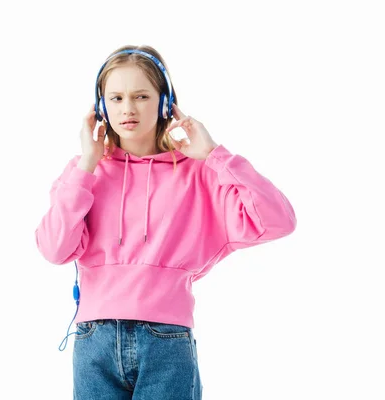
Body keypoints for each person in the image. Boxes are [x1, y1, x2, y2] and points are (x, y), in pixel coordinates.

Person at [34, 44, 296, 400]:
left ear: (164, 101)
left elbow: (277, 220)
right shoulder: (86, 171)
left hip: (166, 341)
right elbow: (54, 248)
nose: (128, 109)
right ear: (100, 108)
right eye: (116, 98)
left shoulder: (198, 172)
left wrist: (213, 154)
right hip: (93, 343)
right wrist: (86, 166)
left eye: (141, 96)